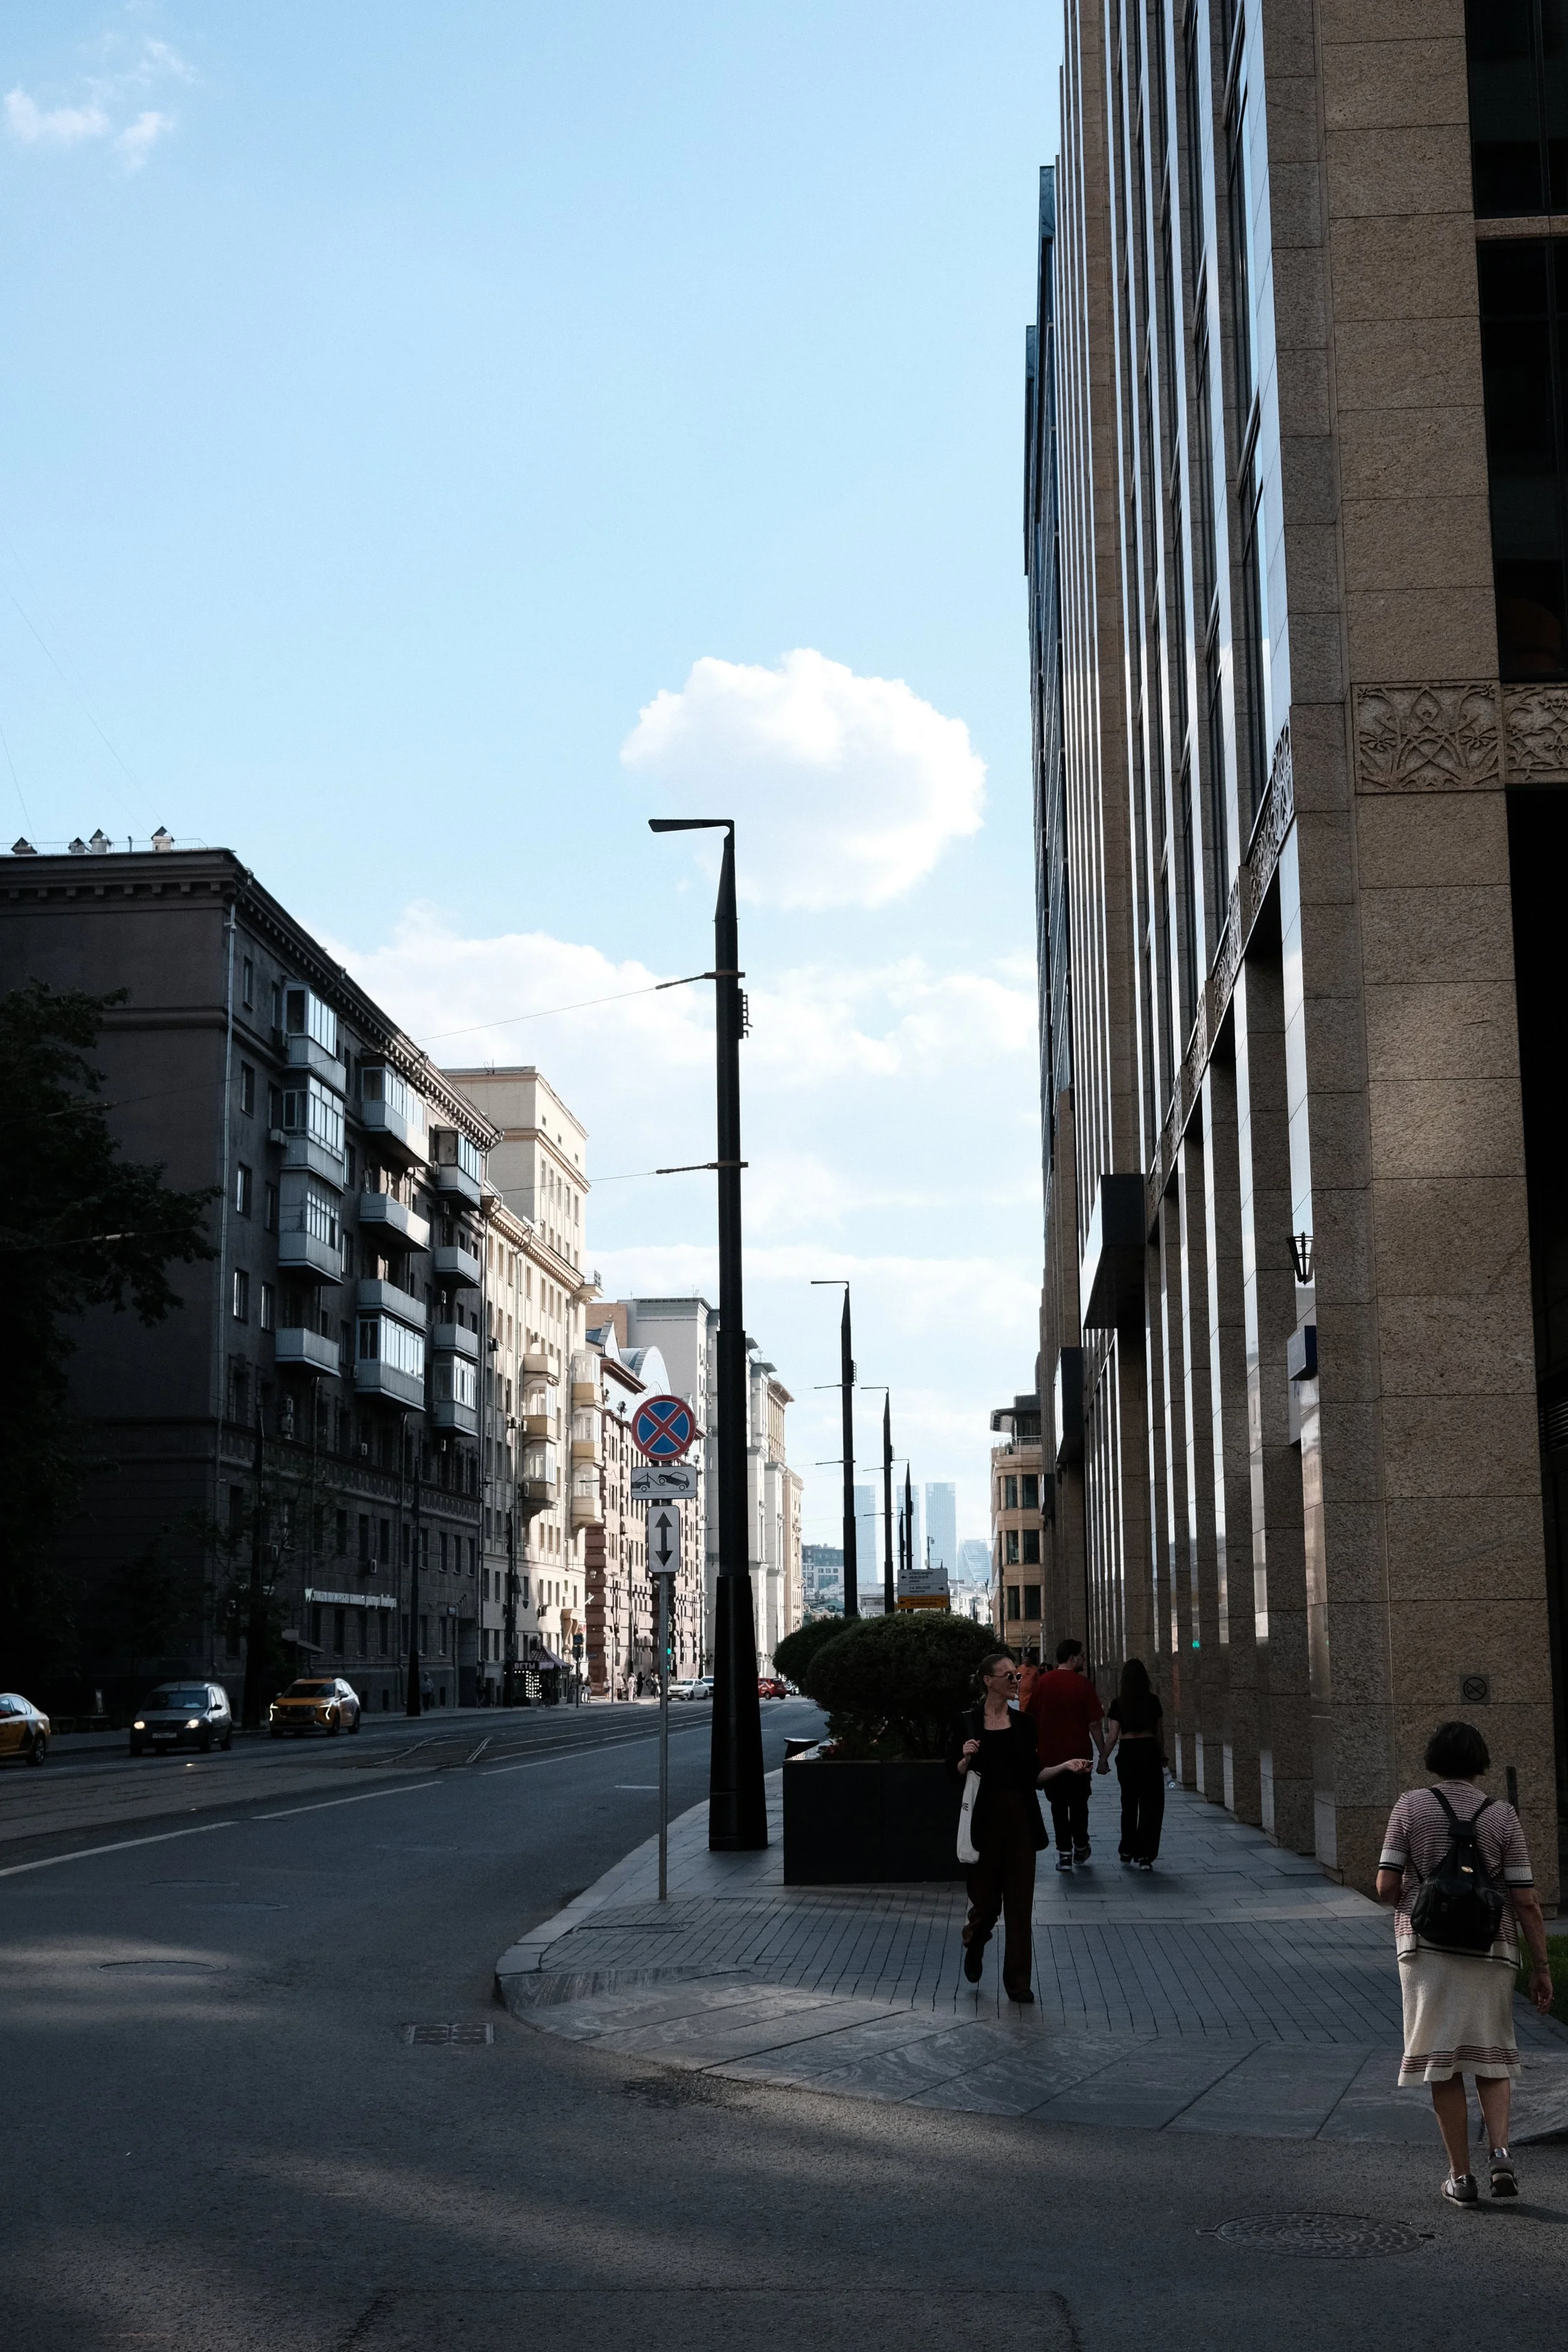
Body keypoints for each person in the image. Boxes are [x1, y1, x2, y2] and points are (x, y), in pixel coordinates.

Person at [1376, 1719, 1553, 2205]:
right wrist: (1541, 1966)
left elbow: (1385, 1886)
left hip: (1426, 1948)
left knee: (1443, 2063)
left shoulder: (1409, 1806)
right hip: (1491, 1949)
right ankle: (1500, 2153)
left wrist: (1413, 1899)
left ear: (1433, 1759)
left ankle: (1461, 2177)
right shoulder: (1503, 1816)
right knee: (1491, 2056)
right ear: (1481, 1762)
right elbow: (1526, 1898)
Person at [946, 1650, 1092, 2001]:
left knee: (1019, 1906)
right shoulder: (967, 1723)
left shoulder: (1025, 1726)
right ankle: (975, 1940)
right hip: (983, 1825)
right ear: (988, 1682)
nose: (1017, 1681)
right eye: (1009, 1676)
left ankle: (1018, 1982)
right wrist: (965, 1760)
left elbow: (1035, 1777)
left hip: (1021, 1825)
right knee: (985, 1904)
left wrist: (1065, 1766)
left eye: (1018, 1675)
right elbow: (950, 1777)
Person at [1027, 1637, 1108, 1871]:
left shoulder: (1043, 1682)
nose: (1084, 1659)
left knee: (1058, 1806)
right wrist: (1103, 1756)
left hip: (1050, 1756)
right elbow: (1094, 1724)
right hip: (1079, 1755)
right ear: (1073, 1659)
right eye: (1082, 1656)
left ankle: (1064, 1852)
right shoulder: (1083, 1685)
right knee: (1080, 1803)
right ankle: (1081, 1846)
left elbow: (1032, 1717)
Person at [1102, 1658, 1164, 1868]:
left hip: (1128, 1754)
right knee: (1150, 1805)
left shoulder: (1119, 1703)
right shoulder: (1153, 1701)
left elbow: (1112, 1736)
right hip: (1149, 1752)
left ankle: (1127, 1848)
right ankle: (1146, 1855)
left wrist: (1103, 1760)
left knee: (1128, 1804)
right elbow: (1160, 1733)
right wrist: (1162, 1756)